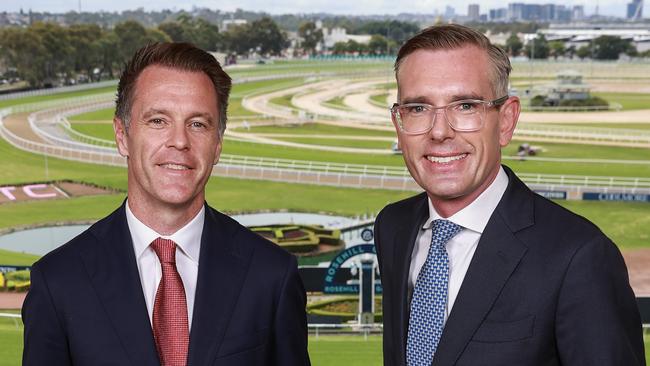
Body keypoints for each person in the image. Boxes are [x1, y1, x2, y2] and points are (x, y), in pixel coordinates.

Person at [22, 42, 310, 366]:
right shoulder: (59, 281)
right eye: (158, 120)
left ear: (217, 145)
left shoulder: (272, 275)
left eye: (198, 124)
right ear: (122, 135)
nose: (180, 141)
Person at [374, 24, 645, 366]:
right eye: (417, 109)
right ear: (399, 124)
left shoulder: (580, 256)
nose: (439, 132)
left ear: (505, 121)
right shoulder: (393, 226)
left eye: (466, 106)